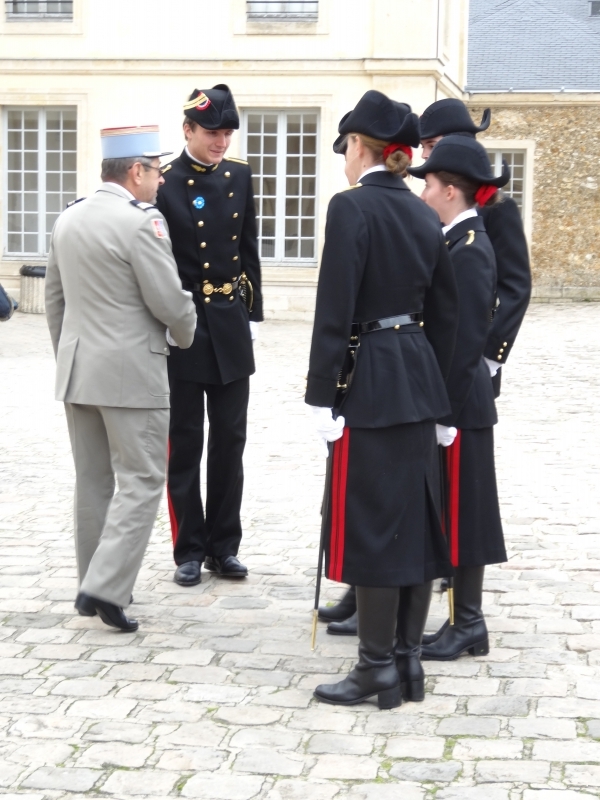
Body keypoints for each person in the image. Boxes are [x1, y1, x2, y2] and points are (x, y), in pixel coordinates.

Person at [320, 96, 531, 636]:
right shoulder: (441, 226)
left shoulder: (481, 228)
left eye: (433, 162)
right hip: (432, 384)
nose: (422, 176)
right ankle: (382, 605)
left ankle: (464, 621)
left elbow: (505, 295)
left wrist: (482, 367)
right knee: (423, 505)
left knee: (463, 511)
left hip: (457, 389)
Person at [306, 90, 459, 709]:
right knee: (418, 525)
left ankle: (375, 668)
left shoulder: (352, 207)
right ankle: (408, 661)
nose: (343, 160)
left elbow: (333, 309)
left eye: (346, 148)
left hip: (370, 378)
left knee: (372, 523)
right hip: (419, 376)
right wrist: (444, 401)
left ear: (360, 148)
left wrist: (321, 396)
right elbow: (447, 317)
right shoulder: (427, 215)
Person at [45, 125, 197, 632]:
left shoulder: (69, 219)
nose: (159, 180)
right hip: (132, 372)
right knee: (142, 478)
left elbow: (55, 303)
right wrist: (187, 330)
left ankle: (96, 580)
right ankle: (105, 587)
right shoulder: (140, 224)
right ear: (136, 172)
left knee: (92, 481)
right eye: (155, 170)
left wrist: (69, 356)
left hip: (78, 370)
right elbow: (169, 299)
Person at [407, 135, 510, 660]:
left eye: (428, 184)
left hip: (460, 406)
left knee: (465, 512)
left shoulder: (470, 249)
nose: (422, 193)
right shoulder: (455, 240)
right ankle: (464, 622)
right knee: (455, 510)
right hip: (455, 402)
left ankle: (468, 622)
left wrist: (442, 412)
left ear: (450, 190)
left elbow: (465, 339)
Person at [156, 85, 263, 587]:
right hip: (185, 324)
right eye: (213, 132)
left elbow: (249, 247)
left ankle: (225, 545)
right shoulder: (164, 182)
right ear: (188, 130)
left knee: (231, 440)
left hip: (229, 322)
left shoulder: (240, 177)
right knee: (185, 440)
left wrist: (253, 313)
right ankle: (189, 549)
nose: (221, 141)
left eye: (227, 133)